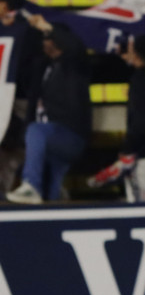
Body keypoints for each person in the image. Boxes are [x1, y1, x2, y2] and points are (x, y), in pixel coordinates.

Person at [6, 17, 91, 205]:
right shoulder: (43, 67)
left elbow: (74, 46)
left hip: (69, 135)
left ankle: (31, 186)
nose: (43, 41)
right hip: (48, 144)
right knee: (51, 194)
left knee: (36, 130)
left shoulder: (74, 65)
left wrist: (47, 27)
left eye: (47, 37)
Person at [88, 35, 145, 202]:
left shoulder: (138, 81)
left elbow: (141, 121)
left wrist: (127, 149)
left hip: (144, 160)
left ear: (136, 55)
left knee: (143, 217)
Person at [0, 0, 42, 195]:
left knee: (10, 157)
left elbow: (33, 75)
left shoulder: (28, 32)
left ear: (5, 5)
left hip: (18, 103)